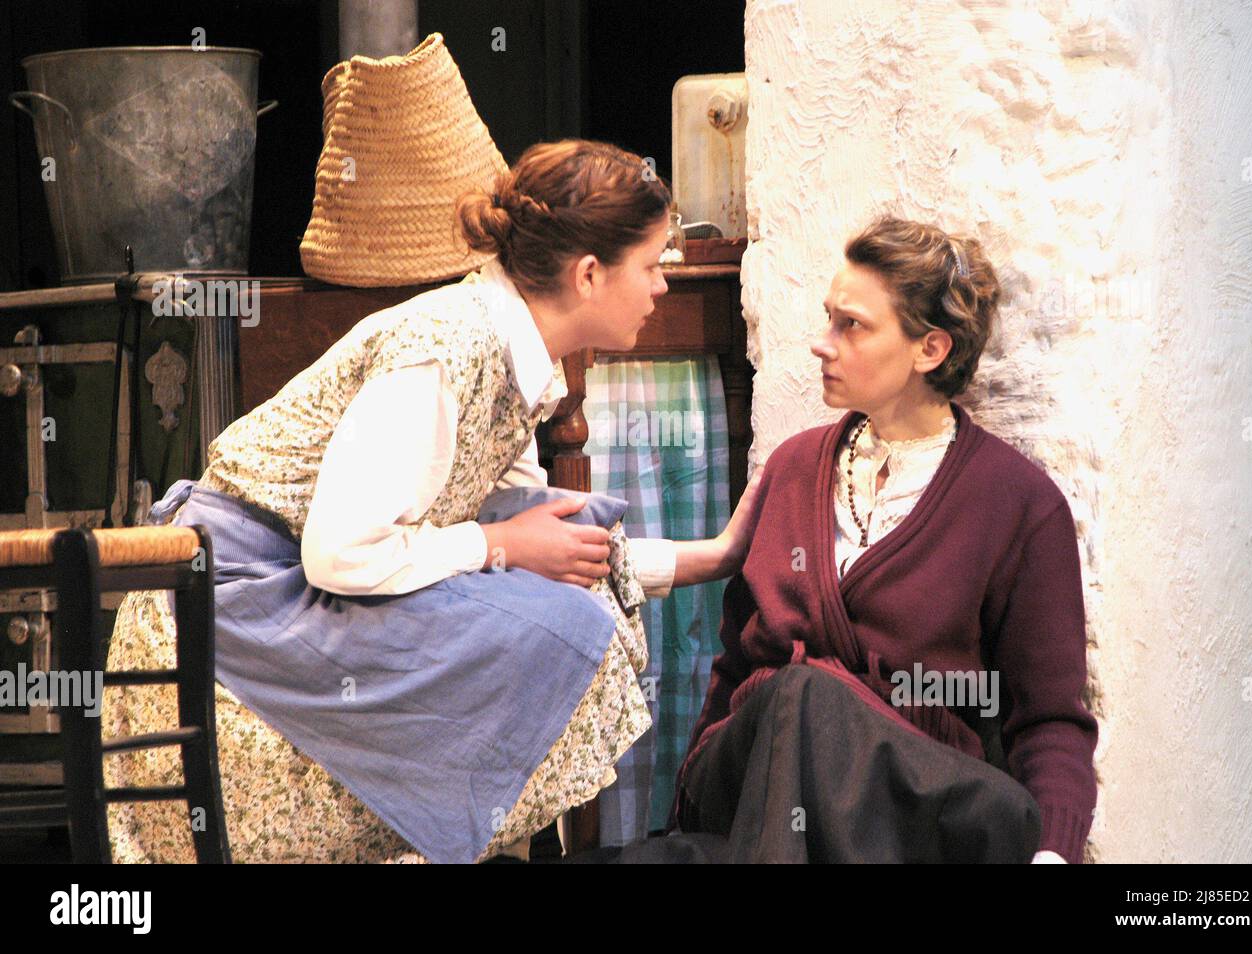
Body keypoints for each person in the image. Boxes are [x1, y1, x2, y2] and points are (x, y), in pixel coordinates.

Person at [103, 139, 762, 864]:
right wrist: (500, 548)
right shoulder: (448, 350)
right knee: (557, 626)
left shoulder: (515, 365)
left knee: (566, 582)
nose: (663, 287)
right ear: (589, 274)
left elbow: (550, 541)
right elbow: (341, 552)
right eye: (653, 265)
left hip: (298, 589)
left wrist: (715, 556)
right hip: (233, 605)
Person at [640, 216, 1099, 864]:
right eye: (829, 318)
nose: (822, 345)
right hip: (758, 778)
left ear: (930, 349)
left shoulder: (1018, 504)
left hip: (916, 805)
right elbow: (734, 669)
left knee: (808, 698)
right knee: (796, 697)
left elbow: (1051, 719)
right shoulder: (793, 469)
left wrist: (1053, 856)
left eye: (850, 325)